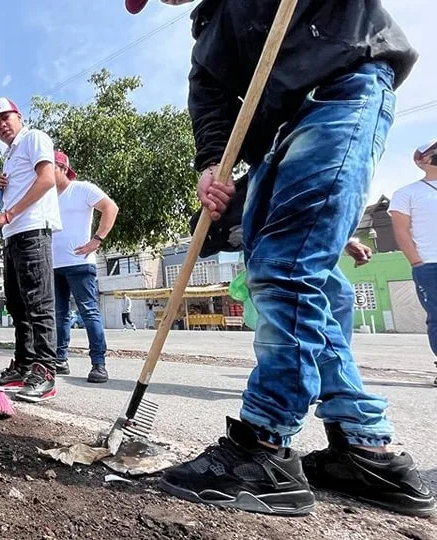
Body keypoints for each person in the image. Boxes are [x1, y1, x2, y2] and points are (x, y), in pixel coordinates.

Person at [126, 0, 433, 518]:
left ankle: (262, 451)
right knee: (309, 280)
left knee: (287, 269)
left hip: (342, 88)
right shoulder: (210, 29)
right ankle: (364, 448)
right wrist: (211, 164)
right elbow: (211, 98)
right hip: (278, 133)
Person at [0, 97, 62, 403]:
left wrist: (9, 212)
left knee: (38, 304)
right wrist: (2, 185)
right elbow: (25, 179)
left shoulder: (34, 138)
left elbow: (46, 180)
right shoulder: (9, 155)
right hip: (13, 235)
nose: (2, 126)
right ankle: (24, 364)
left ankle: (46, 371)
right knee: (17, 306)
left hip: (32, 228)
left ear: (19, 116)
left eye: (5, 118)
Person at [43, 150, 118, 383]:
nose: (45, 172)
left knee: (89, 312)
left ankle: (98, 364)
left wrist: (97, 239)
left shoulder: (82, 189)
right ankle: (60, 359)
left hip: (79, 264)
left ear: (63, 168)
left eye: (50, 167)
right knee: (60, 314)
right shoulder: (46, 196)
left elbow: (110, 208)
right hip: (54, 265)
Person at [389, 139, 437, 386]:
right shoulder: (406, 193)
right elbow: (402, 232)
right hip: (430, 265)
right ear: (422, 160)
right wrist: (417, 262)